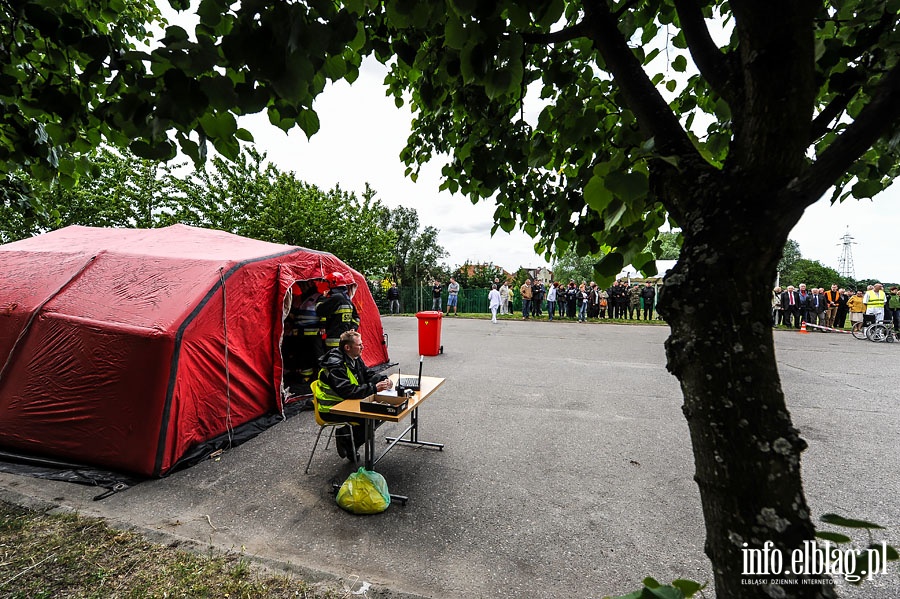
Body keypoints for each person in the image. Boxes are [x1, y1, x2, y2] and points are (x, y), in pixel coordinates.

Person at [314, 330, 392, 460]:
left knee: (376, 414)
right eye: (359, 345)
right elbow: (348, 391)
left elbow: (367, 374)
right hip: (332, 408)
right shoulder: (336, 365)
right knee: (370, 418)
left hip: (345, 403)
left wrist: (383, 379)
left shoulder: (354, 358)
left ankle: (347, 438)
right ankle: (347, 441)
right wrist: (374, 388)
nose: (363, 347)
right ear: (347, 347)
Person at [283, 281, 323, 387]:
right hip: (300, 333)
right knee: (303, 356)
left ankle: (322, 378)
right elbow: (294, 313)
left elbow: (323, 314)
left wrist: (322, 326)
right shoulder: (300, 298)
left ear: (310, 284)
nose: (301, 287)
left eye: (303, 285)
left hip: (314, 333)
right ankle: (306, 377)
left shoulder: (319, 297)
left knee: (317, 356)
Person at [316, 272, 360, 350]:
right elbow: (356, 317)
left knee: (332, 360)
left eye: (328, 282)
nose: (327, 285)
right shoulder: (347, 298)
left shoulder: (335, 298)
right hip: (345, 340)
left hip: (333, 341)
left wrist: (323, 298)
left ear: (333, 283)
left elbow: (319, 310)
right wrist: (353, 327)